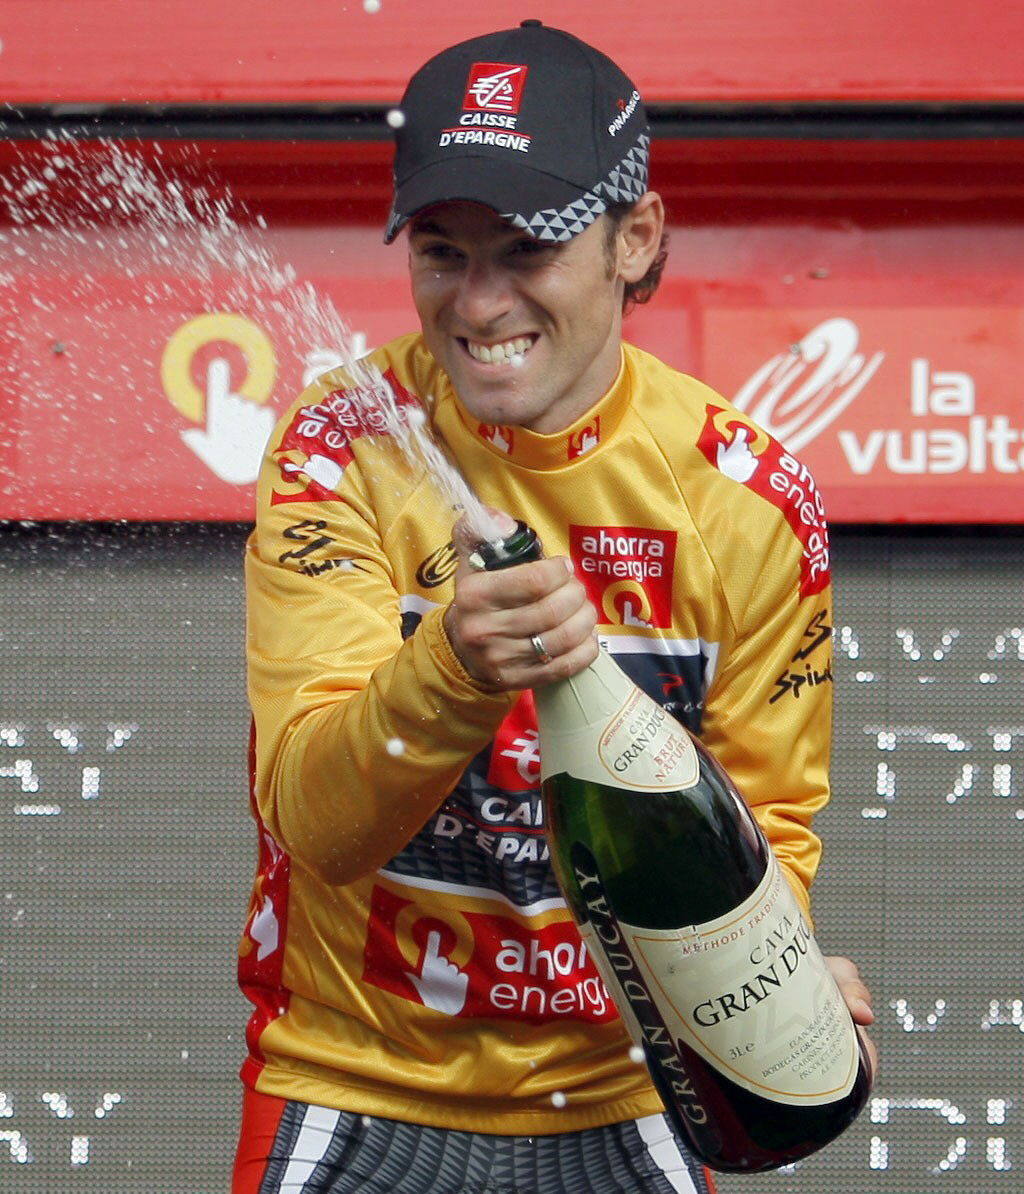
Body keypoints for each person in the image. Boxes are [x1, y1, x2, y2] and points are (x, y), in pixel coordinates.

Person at [232, 20, 876, 1194]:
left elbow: (762, 833)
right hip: (352, 1084)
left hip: (625, 1096)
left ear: (636, 239)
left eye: (525, 247)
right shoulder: (340, 447)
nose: (477, 306)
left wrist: (780, 982)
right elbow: (314, 825)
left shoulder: (750, 500)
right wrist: (450, 672)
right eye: (440, 251)